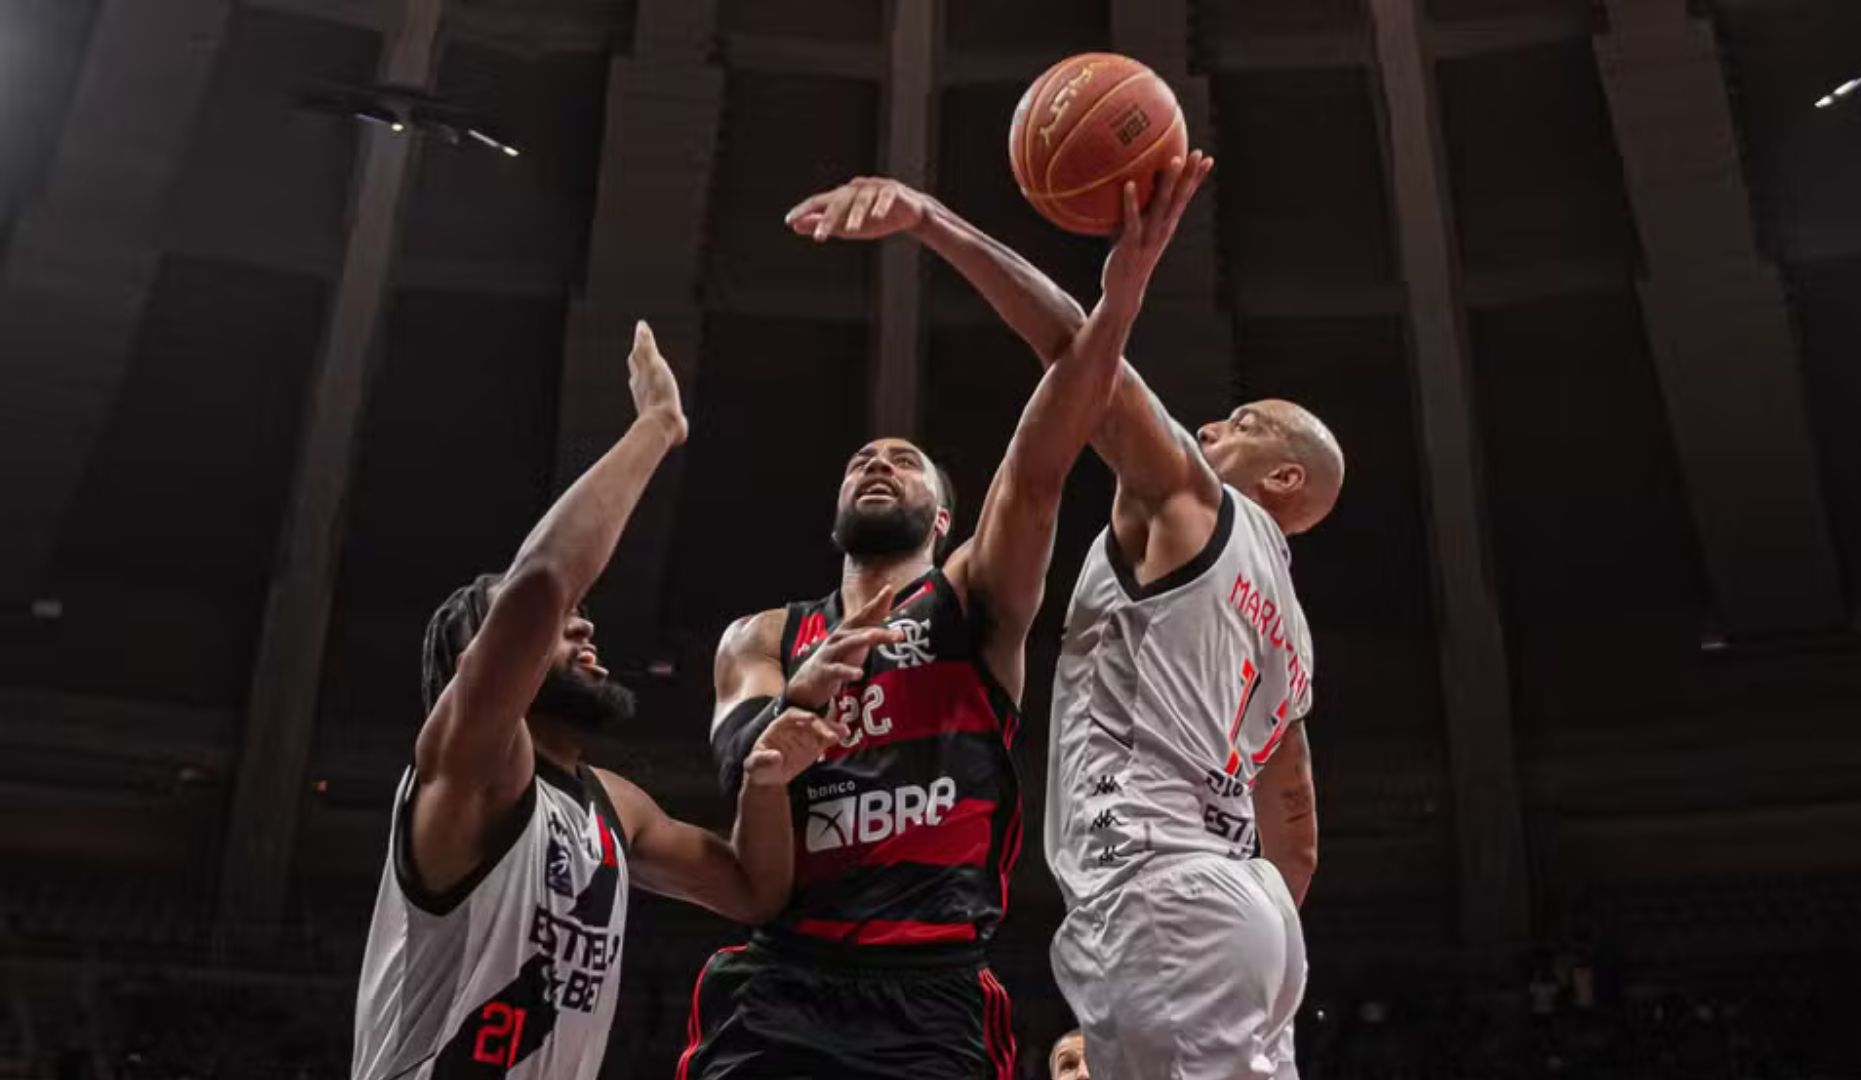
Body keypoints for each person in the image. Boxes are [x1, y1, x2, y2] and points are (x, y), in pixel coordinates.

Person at [795, 160, 1338, 1080]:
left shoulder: (1190, 500)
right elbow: (1301, 836)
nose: (1209, 429)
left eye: (1239, 422)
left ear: (1284, 480)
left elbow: (1073, 354)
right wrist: (1243, 920)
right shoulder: (1288, 625)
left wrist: (936, 221)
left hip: (1160, 881)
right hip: (1244, 906)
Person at [673, 160, 1202, 1080]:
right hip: (784, 979)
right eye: (862, 460)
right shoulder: (759, 637)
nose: (879, 463)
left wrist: (1105, 301)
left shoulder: (972, 601)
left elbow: (1046, 452)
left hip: (933, 990)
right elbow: (741, 766)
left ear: (946, 518)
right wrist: (797, 700)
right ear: (834, 511)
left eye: (905, 461)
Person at [351, 323, 849, 1080]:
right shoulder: (470, 767)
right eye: (551, 629)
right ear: (479, 662)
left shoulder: (612, 807)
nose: (582, 622)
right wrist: (655, 428)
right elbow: (543, 583)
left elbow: (753, 889)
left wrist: (767, 778)